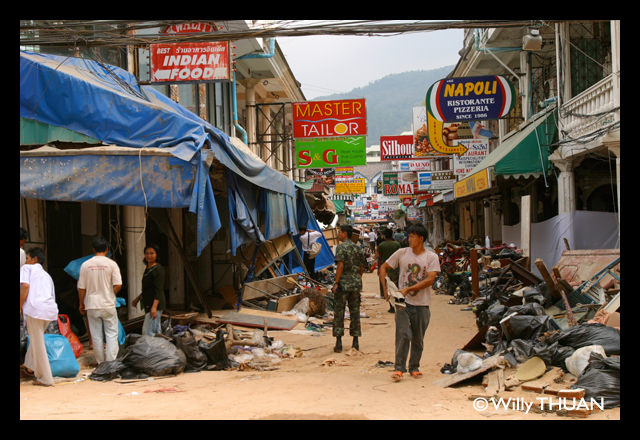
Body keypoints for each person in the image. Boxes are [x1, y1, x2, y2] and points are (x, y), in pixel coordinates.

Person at [379, 223, 440, 381]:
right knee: (403, 334)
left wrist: (408, 289)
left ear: (421, 238)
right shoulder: (401, 253)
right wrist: (385, 289)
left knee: (418, 338)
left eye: (412, 236)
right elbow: (383, 267)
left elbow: (430, 279)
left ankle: (414, 366)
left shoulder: (431, 257)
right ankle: (399, 368)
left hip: (422, 303)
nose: (409, 239)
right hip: (402, 303)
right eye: (409, 235)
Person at [77, 236, 122, 364]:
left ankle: (101, 363)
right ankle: (111, 363)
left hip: (91, 304)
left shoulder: (86, 265)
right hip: (107, 304)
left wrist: (81, 303)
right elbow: (118, 284)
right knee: (111, 334)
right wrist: (109, 293)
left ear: (93, 249)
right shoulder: (112, 264)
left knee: (96, 336)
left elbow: (81, 288)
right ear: (107, 249)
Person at [20, 247, 59, 386]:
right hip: (49, 310)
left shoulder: (26, 269)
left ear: (34, 259)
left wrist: (20, 305)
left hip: (35, 309)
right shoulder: (46, 275)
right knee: (37, 340)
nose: (25, 261)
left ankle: (46, 379)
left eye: (27, 258)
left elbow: (24, 286)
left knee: (38, 343)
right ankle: (29, 366)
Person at [331, 224, 364, 353]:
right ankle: (355, 341)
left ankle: (339, 342)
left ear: (345, 233)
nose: (338, 234)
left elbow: (340, 266)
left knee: (339, 312)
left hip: (343, 285)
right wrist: (356, 278)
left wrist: (336, 283)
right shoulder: (358, 248)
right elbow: (361, 268)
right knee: (355, 313)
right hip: (355, 285)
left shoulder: (341, 247)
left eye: (339, 232)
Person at [132, 244, 166, 336]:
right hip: (148, 303)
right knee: (155, 330)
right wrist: (137, 299)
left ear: (157, 255)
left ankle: (153, 349)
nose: (149, 256)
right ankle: (160, 349)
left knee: (148, 332)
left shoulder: (158, 270)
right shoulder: (148, 268)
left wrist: (154, 307)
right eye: (147, 253)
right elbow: (147, 288)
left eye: (152, 253)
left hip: (155, 304)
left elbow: (158, 290)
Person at [376, 228, 401, 313]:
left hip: (385, 268)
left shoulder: (381, 245)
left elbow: (379, 258)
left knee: (387, 287)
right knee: (396, 286)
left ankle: (391, 307)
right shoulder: (397, 244)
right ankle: (399, 305)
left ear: (384, 236)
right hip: (396, 268)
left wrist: (379, 268)